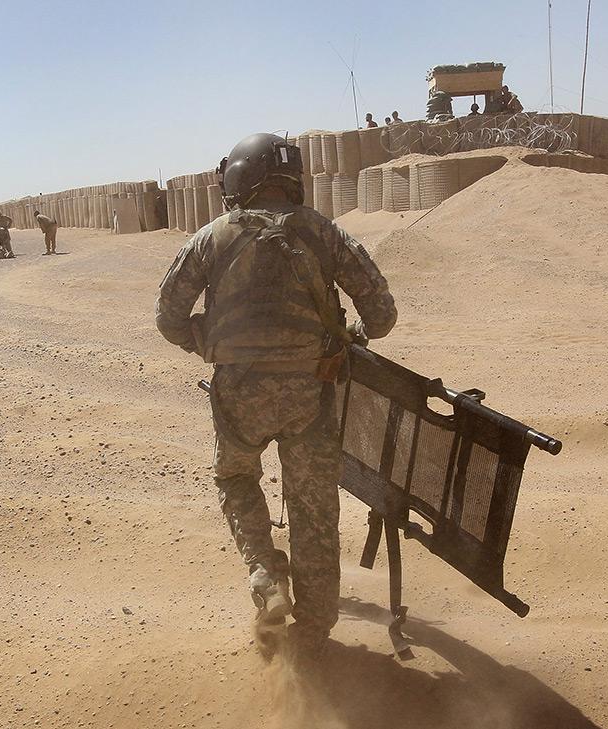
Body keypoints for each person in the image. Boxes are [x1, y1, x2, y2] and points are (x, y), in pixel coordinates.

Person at [155, 133, 397, 666]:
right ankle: (312, 636)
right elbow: (381, 315)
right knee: (314, 512)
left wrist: (209, 342)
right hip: (311, 395)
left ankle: (265, 573)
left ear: (240, 176)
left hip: (238, 395)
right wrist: (347, 337)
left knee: (236, 477)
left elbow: (168, 318)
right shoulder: (324, 232)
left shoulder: (211, 237)